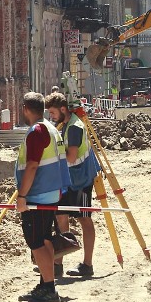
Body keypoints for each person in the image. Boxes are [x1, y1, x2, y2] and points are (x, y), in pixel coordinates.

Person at [15, 92, 70, 302]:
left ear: (26, 109)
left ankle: (48, 287)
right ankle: (46, 284)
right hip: (51, 192)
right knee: (45, 239)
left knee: (36, 242)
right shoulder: (51, 128)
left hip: (38, 195)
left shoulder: (37, 131)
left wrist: (22, 196)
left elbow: (32, 165)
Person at [46, 93, 100, 278]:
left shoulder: (75, 127)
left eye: (52, 113)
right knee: (61, 216)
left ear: (63, 109)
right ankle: (57, 265)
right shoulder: (64, 125)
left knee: (84, 218)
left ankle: (87, 265)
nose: (51, 117)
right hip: (68, 179)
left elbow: (71, 157)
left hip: (82, 180)